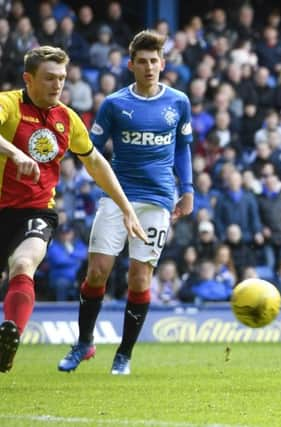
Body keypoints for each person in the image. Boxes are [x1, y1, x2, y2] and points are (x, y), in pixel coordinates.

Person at [0, 46, 147, 374]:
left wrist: (126, 208)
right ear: (29, 78)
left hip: (34, 211)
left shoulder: (66, 118)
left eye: (62, 79)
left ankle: (9, 338)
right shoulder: (7, 103)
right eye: (49, 78)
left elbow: (95, 162)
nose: (57, 85)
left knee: (24, 263)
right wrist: (14, 154)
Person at [58, 30, 194, 375]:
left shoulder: (178, 102)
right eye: (143, 62)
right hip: (117, 196)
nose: (149, 67)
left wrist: (188, 188)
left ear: (162, 64)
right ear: (131, 65)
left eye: (154, 61)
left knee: (139, 279)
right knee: (98, 271)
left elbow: (182, 148)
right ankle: (84, 342)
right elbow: (91, 151)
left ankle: (124, 354)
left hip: (158, 200)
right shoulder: (115, 104)